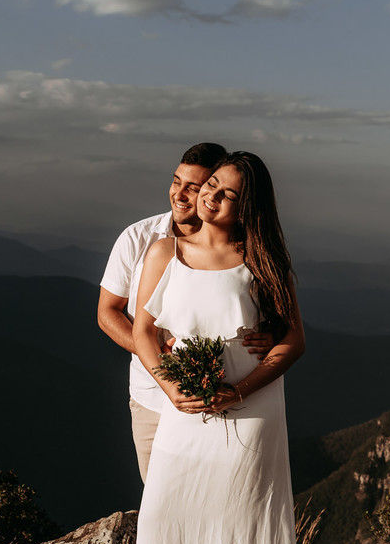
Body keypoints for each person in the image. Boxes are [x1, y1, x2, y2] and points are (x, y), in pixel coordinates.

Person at [128, 151, 304, 544]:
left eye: (227, 193)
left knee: (239, 521)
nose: (211, 196)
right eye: (212, 187)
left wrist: (240, 388)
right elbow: (142, 331)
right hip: (183, 405)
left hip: (250, 410)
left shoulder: (262, 260)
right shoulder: (164, 251)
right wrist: (169, 385)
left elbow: (293, 341)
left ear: (247, 206)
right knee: (163, 517)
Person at [98, 143, 273, 481]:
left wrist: (271, 335)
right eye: (176, 181)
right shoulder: (139, 239)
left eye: (194, 187)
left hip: (223, 402)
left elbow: (265, 316)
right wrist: (165, 360)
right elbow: (107, 312)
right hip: (151, 398)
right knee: (160, 500)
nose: (179, 194)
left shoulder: (248, 253)